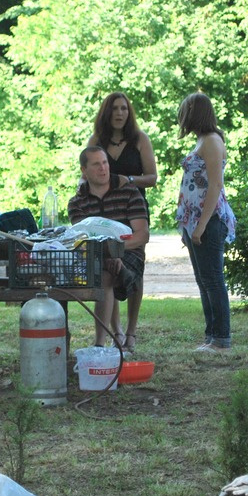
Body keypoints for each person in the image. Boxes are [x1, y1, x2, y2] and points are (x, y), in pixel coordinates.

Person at [86, 92, 158, 350]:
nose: (119, 113)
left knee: (134, 267)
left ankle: (131, 330)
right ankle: (115, 330)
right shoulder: (97, 140)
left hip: (133, 208)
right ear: (107, 113)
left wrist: (128, 180)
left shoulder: (140, 139)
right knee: (110, 267)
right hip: (105, 210)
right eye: (115, 109)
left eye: (124, 109)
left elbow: (152, 177)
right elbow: (85, 171)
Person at [67, 146, 150, 349]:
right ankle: (103, 343)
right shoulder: (76, 202)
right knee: (105, 274)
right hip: (95, 255)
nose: (103, 168)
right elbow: (82, 239)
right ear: (84, 171)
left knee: (109, 272)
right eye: (96, 164)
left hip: (130, 250)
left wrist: (116, 251)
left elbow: (142, 235)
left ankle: (128, 333)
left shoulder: (129, 192)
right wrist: (106, 255)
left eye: (105, 162)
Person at [176, 92, 237, 353]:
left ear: (194, 111)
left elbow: (215, 185)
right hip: (195, 222)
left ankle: (221, 339)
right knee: (204, 280)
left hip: (209, 221)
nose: (181, 116)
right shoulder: (203, 139)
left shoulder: (211, 141)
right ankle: (211, 336)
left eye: (184, 111)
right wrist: (188, 226)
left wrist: (200, 225)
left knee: (213, 280)